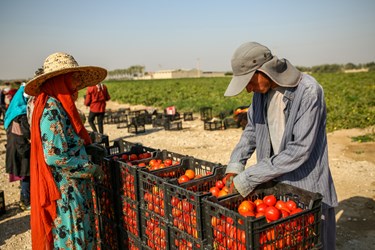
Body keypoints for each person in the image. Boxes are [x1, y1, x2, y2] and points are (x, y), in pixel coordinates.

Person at [223, 42, 338, 249]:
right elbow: (251, 131)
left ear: (262, 71)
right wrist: (235, 166)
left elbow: (299, 150)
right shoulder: (260, 95)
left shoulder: (308, 92)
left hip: (305, 184)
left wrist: (249, 177)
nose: (248, 89)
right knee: (283, 240)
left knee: (313, 239)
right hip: (276, 184)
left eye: (249, 81)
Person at [25, 52, 107, 249]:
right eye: (74, 75)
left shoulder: (58, 105)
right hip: (67, 191)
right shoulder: (51, 109)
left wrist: (86, 148)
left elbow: (65, 142)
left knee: (81, 236)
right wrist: (90, 168)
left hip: (75, 186)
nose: (78, 80)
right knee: (75, 237)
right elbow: (55, 156)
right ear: (60, 78)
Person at [4, 83, 31, 210]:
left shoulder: (12, 111)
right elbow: (26, 132)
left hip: (15, 147)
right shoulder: (21, 113)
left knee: (23, 174)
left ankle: (23, 199)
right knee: (26, 174)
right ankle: (26, 201)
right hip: (21, 148)